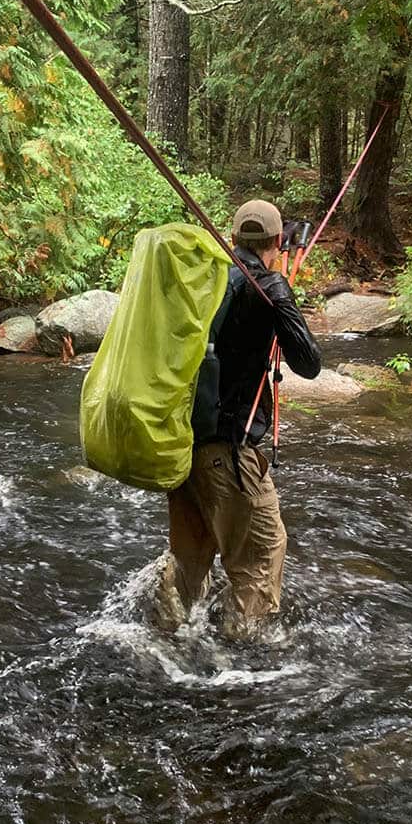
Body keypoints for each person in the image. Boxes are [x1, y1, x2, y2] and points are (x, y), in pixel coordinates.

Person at [155, 199, 322, 634]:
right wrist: (280, 293)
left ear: (232, 240)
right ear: (275, 242)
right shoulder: (265, 288)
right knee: (263, 555)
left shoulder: (206, 282)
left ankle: (168, 638)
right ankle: (242, 666)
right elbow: (308, 362)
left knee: (189, 568)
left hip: (183, 450)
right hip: (229, 454)